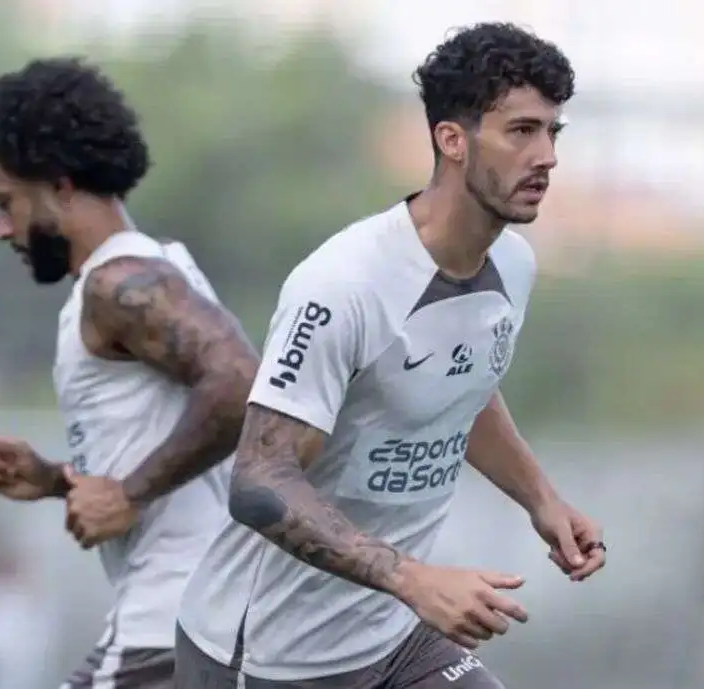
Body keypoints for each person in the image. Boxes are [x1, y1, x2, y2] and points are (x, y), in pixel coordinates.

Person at [175, 22, 606, 689]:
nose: (546, 155)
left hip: (394, 636)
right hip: (268, 657)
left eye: (554, 132)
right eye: (522, 131)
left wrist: (542, 500)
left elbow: (462, 383)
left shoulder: (513, 266)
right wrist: (415, 579)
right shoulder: (343, 284)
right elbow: (259, 479)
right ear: (451, 140)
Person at [0, 57, 260, 689]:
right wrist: (56, 481)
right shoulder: (143, 276)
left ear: (61, 187)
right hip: (209, 632)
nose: (1, 228)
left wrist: (127, 493)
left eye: (6, 203)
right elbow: (185, 459)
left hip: (170, 635)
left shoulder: (120, 284)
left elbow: (242, 384)